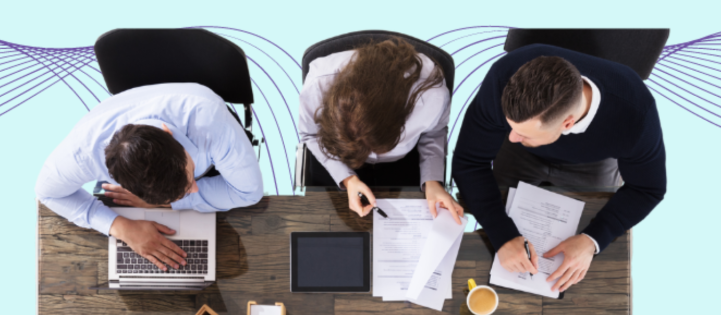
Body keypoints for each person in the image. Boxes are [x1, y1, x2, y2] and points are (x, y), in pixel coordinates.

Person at [452, 45, 666, 292]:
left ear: (567, 123)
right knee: (491, 249)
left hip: (593, 160)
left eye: (521, 131)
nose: (510, 137)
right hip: (524, 154)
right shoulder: (505, 76)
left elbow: (648, 188)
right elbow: (469, 163)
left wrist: (592, 240)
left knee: (578, 265)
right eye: (511, 127)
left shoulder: (636, 116)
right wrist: (503, 235)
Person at [35, 83, 264, 271]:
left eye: (190, 175)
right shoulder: (81, 153)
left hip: (207, 128)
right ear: (125, 185)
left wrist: (174, 202)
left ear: (168, 133)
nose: (196, 189)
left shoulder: (212, 123)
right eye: (186, 189)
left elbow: (249, 193)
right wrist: (120, 227)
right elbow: (47, 193)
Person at [299, 38, 464, 224]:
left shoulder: (431, 93)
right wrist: (348, 179)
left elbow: (433, 132)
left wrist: (433, 182)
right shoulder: (319, 83)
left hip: (402, 161)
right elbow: (310, 134)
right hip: (336, 155)